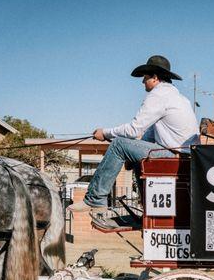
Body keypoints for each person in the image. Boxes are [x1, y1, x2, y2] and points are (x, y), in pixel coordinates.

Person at [69, 55, 199, 212]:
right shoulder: (177, 98)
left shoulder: (158, 95)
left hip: (174, 155)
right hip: (185, 156)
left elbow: (133, 130)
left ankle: (94, 199)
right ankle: (148, 206)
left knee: (118, 145)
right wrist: (131, 153)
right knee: (129, 151)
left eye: (145, 77)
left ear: (155, 78)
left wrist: (105, 133)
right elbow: (149, 134)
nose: (142, 81)